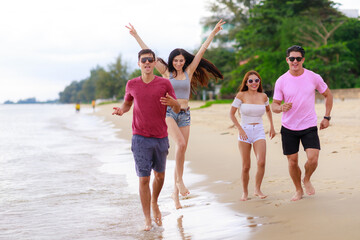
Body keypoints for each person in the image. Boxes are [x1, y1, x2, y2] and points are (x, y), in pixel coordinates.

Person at [126, 20, 225, 209]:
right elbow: (149, 55)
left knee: (182, 150)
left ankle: (175, 194)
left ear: (184, 62)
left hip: (186, 113)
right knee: (180, 144)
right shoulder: (166, 73)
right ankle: (179, 182)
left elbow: (202, 51)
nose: (179, 63)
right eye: (176, 60)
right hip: (169, 112)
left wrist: (213, 33)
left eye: (181, 60)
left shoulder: (189, 71)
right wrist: (136, 35)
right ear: (171, 61)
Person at [112, 49, 180, 231]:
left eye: (151, 60)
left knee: (160, 175)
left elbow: (178, 107)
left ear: (154, 63)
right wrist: (121, 110)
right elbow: (127, 103)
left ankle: (155, 202)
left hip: (160, 137)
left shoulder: (164, 83)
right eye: (144, 60)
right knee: (143, 179)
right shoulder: (132, 84)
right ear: (139, 63)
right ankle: (147, 219)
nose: (148, 63)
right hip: (140, 138)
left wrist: (173, 103)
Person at [271, 45, 333, 201]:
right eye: (292, 58)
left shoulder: (313, 77)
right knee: (292, 162)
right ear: (287, 60)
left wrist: (327, 117)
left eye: (298, 58)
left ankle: (306, 179)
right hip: (288, 127)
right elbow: (274, 105)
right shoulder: (281, 81)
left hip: (309, 125)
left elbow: (327, 94)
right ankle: (298, 189)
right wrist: (281, 108)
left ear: (303, 59)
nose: (295, 61)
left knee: (313, 159)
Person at [229, 70, 275, 201]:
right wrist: (240, 129)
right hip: (245, 131)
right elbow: (231, 114)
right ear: (246, 83)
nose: (254, 83)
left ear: (259, 82)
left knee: (261, 162)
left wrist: (272, 126)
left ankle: (257, 189)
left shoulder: (264, 96)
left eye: (256, 80)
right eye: (251, 81)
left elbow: (268, 111)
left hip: (259, 130)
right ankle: (244, 192)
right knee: (246, 166)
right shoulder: (241, 95)